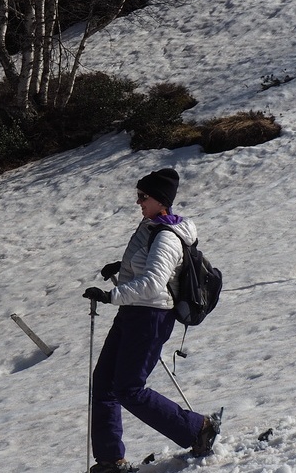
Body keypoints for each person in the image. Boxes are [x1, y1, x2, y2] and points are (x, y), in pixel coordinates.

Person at [82, 167, 219, 473]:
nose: (138, 201)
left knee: (129, 388)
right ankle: (109, 460)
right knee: (104, 382)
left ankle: (198, 429)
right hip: (133, 312)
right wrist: (123, 267)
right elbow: (148, 268)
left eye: (143, 196)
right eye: (138, 195)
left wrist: (110, 295)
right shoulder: (150, 225)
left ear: (160, 200)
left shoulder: (168, 237)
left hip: (152, 317)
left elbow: (153, 284)